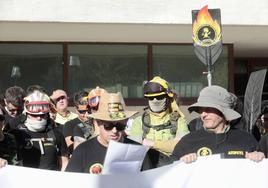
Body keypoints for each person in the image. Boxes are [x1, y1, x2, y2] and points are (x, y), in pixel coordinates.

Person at [172, 85, 265, 163]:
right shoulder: (187, 142)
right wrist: (181, 163)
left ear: (224, 111)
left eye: (208, 109)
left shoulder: (246, 140)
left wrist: (260, 159)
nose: (203, 114)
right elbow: (170, 173)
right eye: (200, 110)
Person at [65, 91, 152, 174]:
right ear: (98, 122)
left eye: (119, 126)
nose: (114, 131)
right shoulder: (82, 151)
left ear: (126, 122)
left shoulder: (137, 150)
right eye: (108, 126)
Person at [129, 76, 189, 167]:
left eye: (159, 97)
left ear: (168, 97)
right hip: (146, 170)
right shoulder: (139, 122)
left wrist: (151, 143)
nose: (155, 100)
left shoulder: (179, 121)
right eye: (151, 98)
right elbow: (133, 149)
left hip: (170, 168)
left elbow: (182, 146)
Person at [10, 90, 69, 170]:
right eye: (34, 115)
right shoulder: (15, 134)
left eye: (42, 115)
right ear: (26, 113)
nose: (39, 118)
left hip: (52, 181)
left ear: (47, 114)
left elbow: (64, 162)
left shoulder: (56, 134)